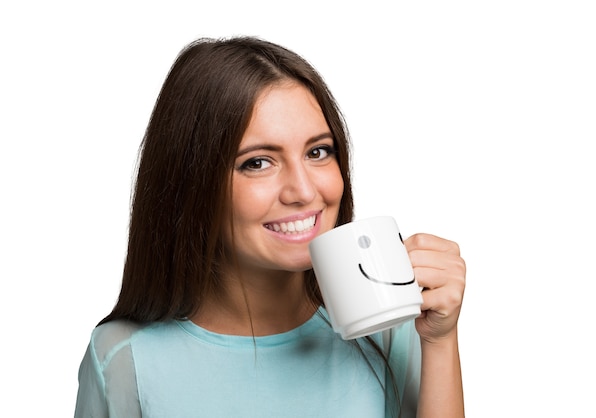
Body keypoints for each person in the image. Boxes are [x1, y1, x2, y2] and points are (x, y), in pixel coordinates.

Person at [74, 36, 466, 418]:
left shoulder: (388, 329)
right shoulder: (124, 358)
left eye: (318, 152)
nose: (303, 190)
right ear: (192, 184)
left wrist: (441, 341)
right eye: (258, 162)